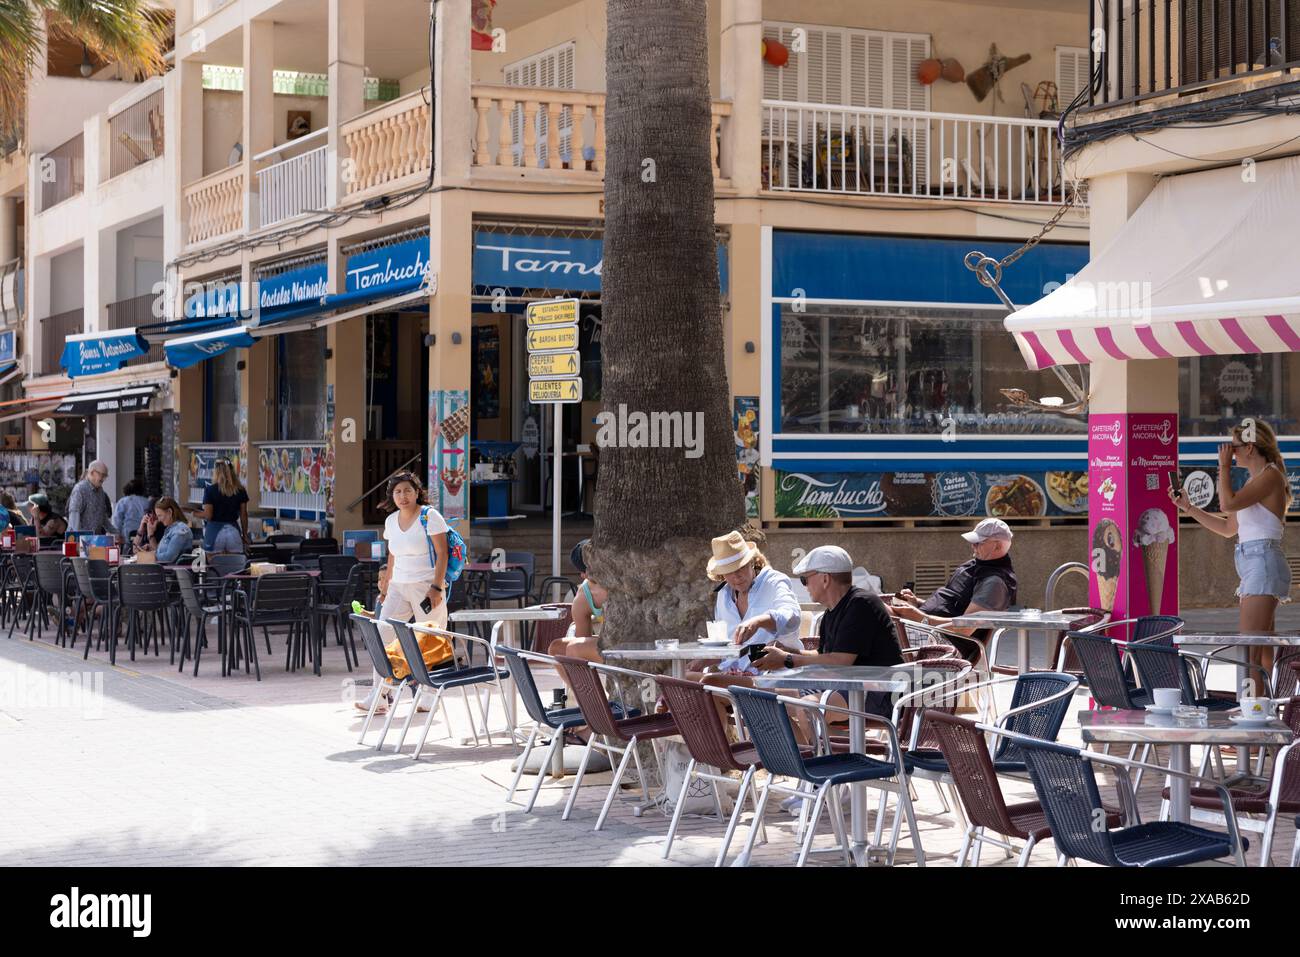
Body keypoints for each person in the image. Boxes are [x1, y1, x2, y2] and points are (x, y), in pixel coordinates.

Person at [1173, 419, 1291, 679]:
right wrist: (1190, 508)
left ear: (1250, 448)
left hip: (1262, 561)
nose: (1230, 452)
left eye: (1234, 447)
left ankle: (1253, 708)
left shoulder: (1270, 476)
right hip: (1255, 562)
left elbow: (1227, 504)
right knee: (1259, 647)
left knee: (1250, 648)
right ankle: (1261, 706)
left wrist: (1223, 468)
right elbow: (1228, 528)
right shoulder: (1254, 482)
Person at [356, 471, 450, 714]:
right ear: (392, 496)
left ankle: (430, 695)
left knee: (431, 639)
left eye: (408, 490)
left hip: (426, 586)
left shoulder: (430, 517)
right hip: (398, 585)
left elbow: (442, 553)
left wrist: (437, 587)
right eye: (397, 492)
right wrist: (386, 588)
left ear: (417, 492)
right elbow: (392, 555)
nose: (403, 495)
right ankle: (379, 696)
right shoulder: (391, 521)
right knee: (382, 633)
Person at [887, 518, 1018, 658]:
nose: (972, 546)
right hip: (929, 630)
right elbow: (950, 606)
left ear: (997, 546)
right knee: (875, 609)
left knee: (877, 617)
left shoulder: (995, 582)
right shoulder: (976, 565)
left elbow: (964, 628)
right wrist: (917, 602)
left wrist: (921, 618)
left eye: (978, 543)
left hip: (946, 644)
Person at [688, 530, 801, 680]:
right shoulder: (724, 594)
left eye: (741, 567)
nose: (736, 576)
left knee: (708, 681)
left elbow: (792, 617)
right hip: (736, 677)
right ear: (722, 574)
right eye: (729, 572)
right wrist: (706, 660)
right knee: (682, 678)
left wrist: (759, 621)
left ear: (752, 562)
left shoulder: (774, 581)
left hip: (774, 676)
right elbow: (729, 649)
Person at [549, 539, 607, 663]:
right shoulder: (584, 597)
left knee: (574, 649)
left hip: (639, 643)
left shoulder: (624, 580)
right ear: (584, 574)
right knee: (557, 648)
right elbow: (582, 639)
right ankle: (581, 683)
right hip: (612, 645)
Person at [201, 459, 249, 553]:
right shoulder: (240, 490)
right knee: (236, 565)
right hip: (233, 531)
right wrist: (245, 535)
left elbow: (208, 515)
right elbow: (244, 515)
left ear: (216, 472)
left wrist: (193, 513)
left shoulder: (210, 490)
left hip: (214, 532)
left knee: (213, 565)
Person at [136, 497, 194, 564]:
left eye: (160, 516)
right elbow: (163, 554)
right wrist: (151, 550)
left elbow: (168, 558)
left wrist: (148, 556)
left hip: (172, 572)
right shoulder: (170, 529)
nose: (159, 520)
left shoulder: (180, 531)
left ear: (169, 512)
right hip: (164, 570)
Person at [67, 460, 116, 536]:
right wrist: (75, 540)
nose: (103, 479)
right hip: (82, 540)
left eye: (105, 476)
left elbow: (103, 517)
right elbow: (74, 517)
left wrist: (115, 532)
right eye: (102, 475)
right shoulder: (80, 489)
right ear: (92, 472)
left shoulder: (100, 491)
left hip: (94, 540)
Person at [112, 479, 150, 552]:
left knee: (127, 555)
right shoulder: (147, 501)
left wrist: (117, 536)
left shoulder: (123, 501)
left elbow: (117, 521)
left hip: (127, 538)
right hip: (143, 537)